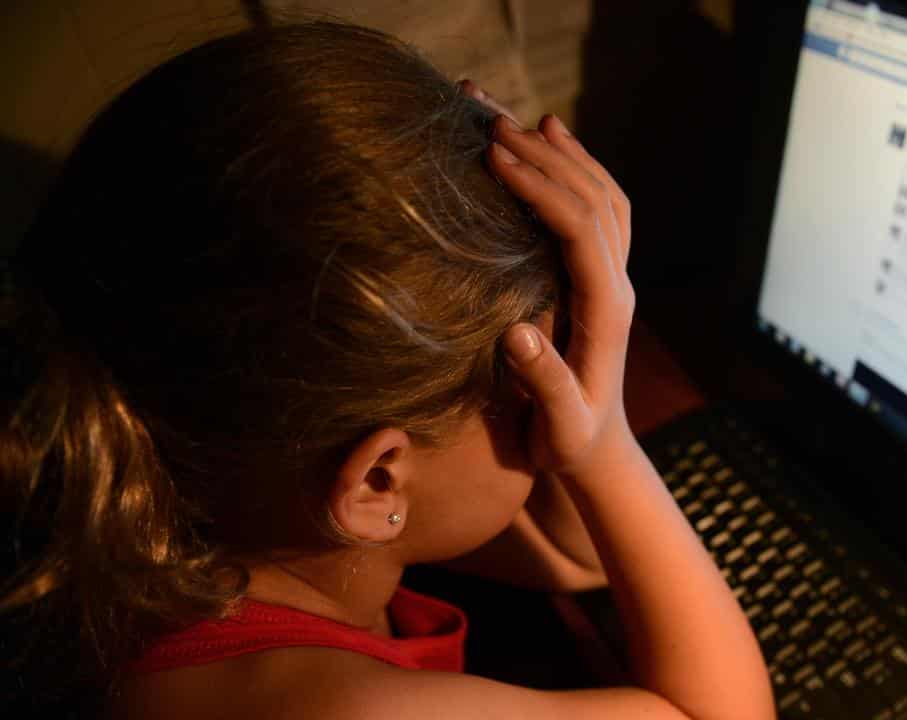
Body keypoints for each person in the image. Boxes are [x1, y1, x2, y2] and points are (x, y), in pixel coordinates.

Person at [0, 22, 772, 720]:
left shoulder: (214, 499)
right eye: (531, 391)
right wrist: (606, 448)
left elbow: (579, 559)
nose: (560, 405)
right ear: (376, 481)